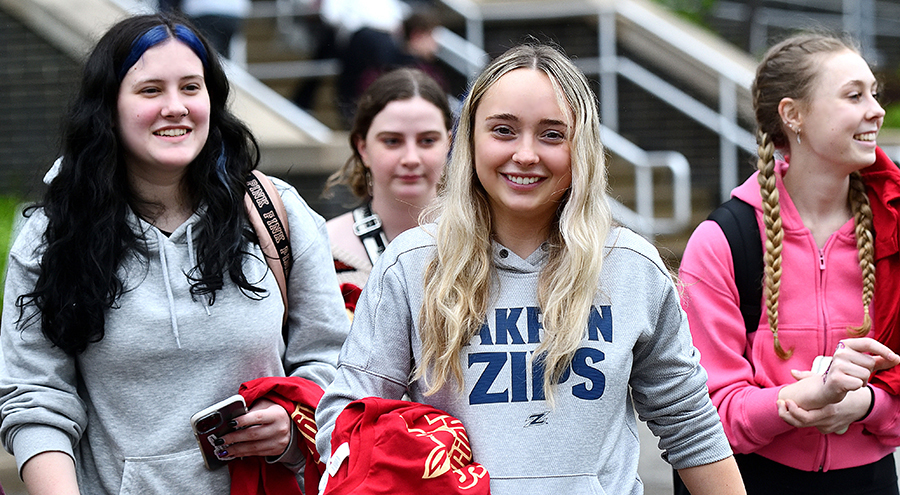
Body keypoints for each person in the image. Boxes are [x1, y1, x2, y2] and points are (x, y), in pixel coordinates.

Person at [314, 43, 745, 494]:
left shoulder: (630, 265)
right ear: (469, 140)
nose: (525, 154)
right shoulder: (411, 264)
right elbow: (346, 420)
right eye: (503, 130)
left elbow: (690, 424)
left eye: (552, 134)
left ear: (583, 148)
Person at [0, 13, 349, 495]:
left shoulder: (275, 214)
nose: (176, 107)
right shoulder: (51, 236)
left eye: (191, 87)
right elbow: (37, 397)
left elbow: (334, 361)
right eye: (150, 91)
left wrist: (291, 430)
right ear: (109, 106)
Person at [678, 33, 900, 494]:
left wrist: (865, 404)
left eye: (873, 93)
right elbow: (700, 415)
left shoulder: (893, 231)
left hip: (869, 482)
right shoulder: (723, 241)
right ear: (792, 115)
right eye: (854, 95)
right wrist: (799, 399)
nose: (876, 110)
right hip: (748, 481)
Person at [323, 67, 451, 294]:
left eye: (427, 140)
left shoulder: (485, 242)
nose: (411, 158)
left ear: (449, 143)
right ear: (363, 148)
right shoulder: (323, 248)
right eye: (392, 141)